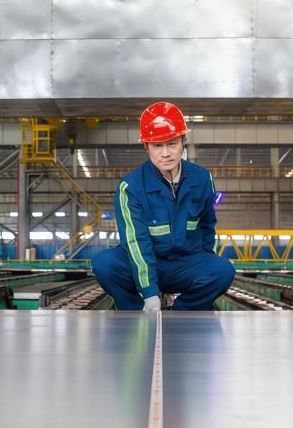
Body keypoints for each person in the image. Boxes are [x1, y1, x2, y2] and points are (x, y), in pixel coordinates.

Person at [92, 102, 235, 312]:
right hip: (145, 262)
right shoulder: (131, 187)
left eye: (172, 143)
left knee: (222, 270)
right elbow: (136, 242)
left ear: (183, 141)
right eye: (157, 146)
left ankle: (183, 314)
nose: (165, 153)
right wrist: (150, 292)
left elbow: (208, 227)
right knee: (105, 264)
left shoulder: (202, 179)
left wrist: (205, 267)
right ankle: (136, 312)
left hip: (185, 264)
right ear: (146, 147)